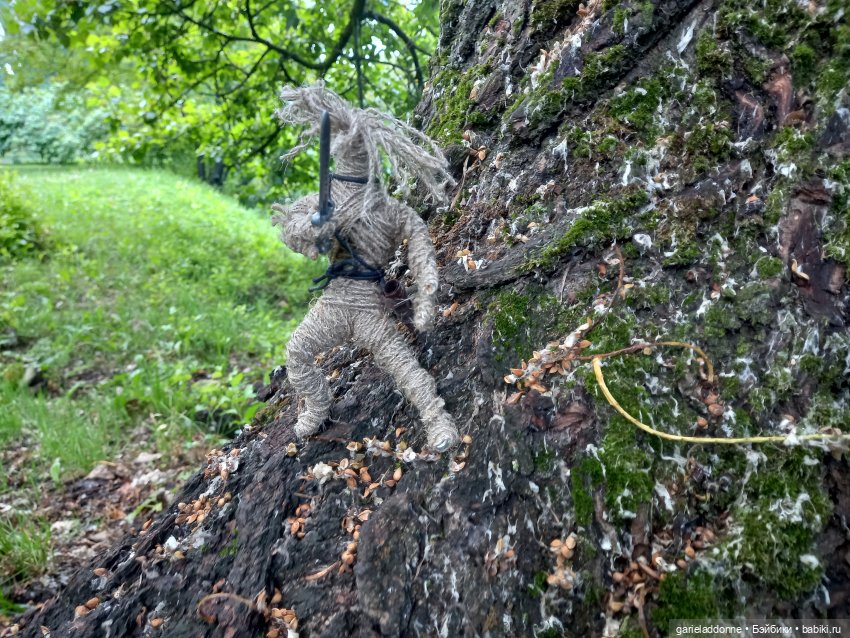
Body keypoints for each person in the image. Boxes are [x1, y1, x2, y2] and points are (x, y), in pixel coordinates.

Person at [271, 84, 459, 452]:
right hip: (333, 305)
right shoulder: (323, 204)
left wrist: (427, 296)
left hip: (370, 309)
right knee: (296, 353)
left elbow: (421, 252)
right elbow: (291, 234)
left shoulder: (391, 212)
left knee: (403, 366)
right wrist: (315, 224)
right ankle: (319, 403)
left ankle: (437, 418)